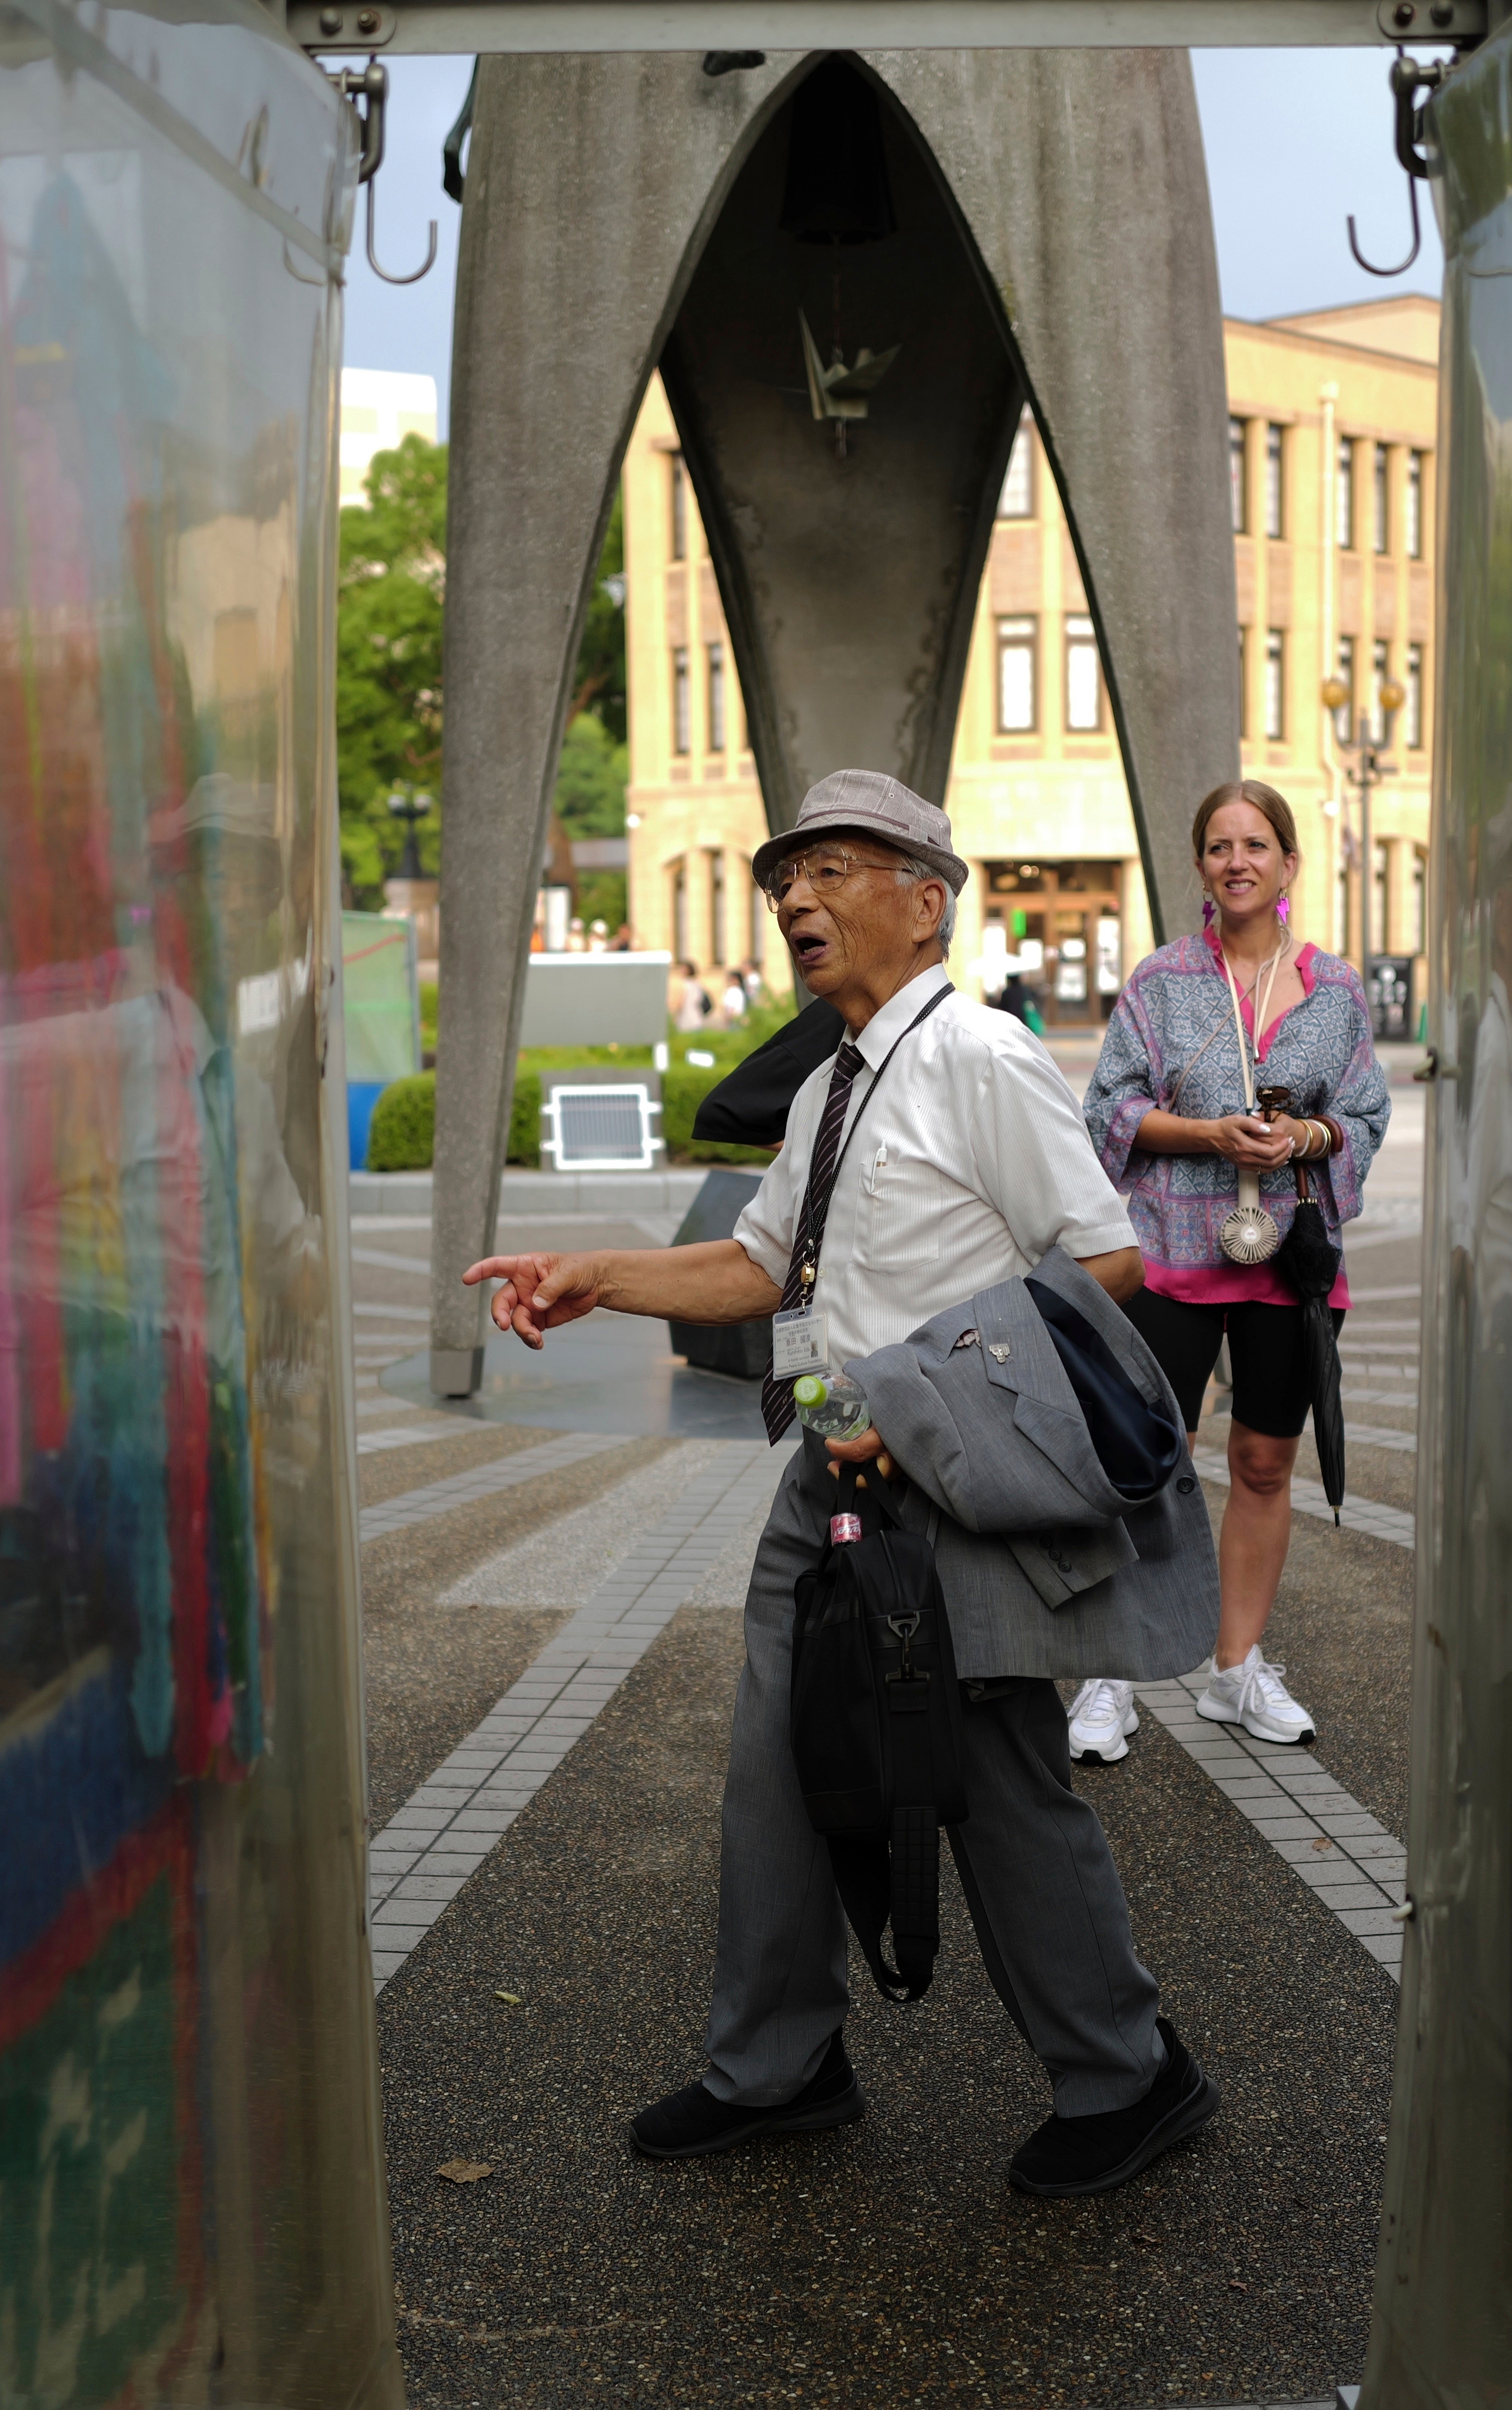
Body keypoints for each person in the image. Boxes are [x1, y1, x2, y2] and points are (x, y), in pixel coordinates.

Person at [464, 768, 1221, 2198]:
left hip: (951, 1482)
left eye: (833, 869)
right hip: (830, 1469)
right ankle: (779, 2065)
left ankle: (1131, 2071)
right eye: (784, 879)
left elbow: (1103, 1260)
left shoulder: (980, 1055)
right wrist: (595, 1274)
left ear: (925, 899)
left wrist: (920, 1394)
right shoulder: (832, 1076)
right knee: (776, 1763)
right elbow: (765, 1267)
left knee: (993, 1780)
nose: (797, 899)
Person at [1072, 780, 1389, 1761]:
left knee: (1263, 1465)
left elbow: (1366, 1116)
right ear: (1202, 866)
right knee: (1142, 1463)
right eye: (1219, 846)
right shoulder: (1161, 985)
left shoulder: (1335, 992)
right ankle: (1108, 1673)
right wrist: (1207, 1133)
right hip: (1170, 1252)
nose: (1238, 861)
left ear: (1290, 864)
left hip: (1287, 1259)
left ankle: (1236, 1667)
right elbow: (1107, 1110)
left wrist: (1306, 1134)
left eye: (1257, 844)